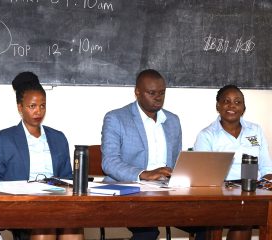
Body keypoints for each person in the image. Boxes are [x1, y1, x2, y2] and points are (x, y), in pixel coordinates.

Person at [101, 69, 205, 240]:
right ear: (137, 93)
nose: (158, 97)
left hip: (166, 191)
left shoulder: (172, 120)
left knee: (207, 223)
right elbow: (109, 163)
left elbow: (177, 161)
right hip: (130, 190)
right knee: (148, 230)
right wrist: (144, 174)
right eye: (152, 93)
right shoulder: (116, 118)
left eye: (162, 93)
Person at [0, 71, 83, 240]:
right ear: (20, 108)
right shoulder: (4, 139)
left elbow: (67, 177)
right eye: (32, 106)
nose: (38, 111)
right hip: (22, 204)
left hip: (57, 202)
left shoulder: (58, 138)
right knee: (45, 226)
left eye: (42, 106)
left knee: (73, 228)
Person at [193, 84, 272, 240]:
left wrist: (267, 180)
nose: (232, 106)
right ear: (218, 105)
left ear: (243, 107)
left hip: (252, 190)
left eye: (237, 102)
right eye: (226, 101)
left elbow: (266, 167)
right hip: (221, 193)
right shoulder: (207, 135)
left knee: (248, 210)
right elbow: (203, 176)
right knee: (243, 214)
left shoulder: (255, 130)